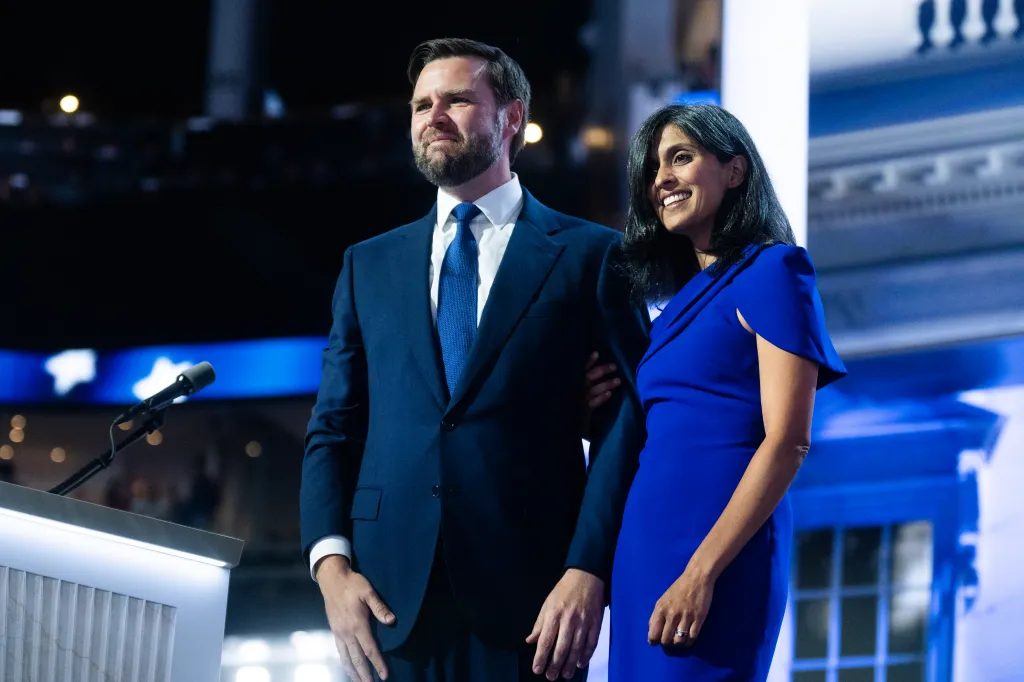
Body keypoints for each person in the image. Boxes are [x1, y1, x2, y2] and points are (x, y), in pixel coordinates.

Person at [300, 38, 649, 682]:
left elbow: (625, 420)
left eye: (456, 99)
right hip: (385, 602)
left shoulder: (592, 254)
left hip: (534, 600)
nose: (433, 115)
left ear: (511, 118)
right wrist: (331, 568)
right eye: (420, 105)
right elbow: (334, 426)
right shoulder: (366, 266)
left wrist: (589, 567)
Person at [607, 104, 847, 681]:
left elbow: (788, 440)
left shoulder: (774, 270)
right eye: (653, 167)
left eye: (681, 158)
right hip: (646, 555)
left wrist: (701, 573)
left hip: (716, 557)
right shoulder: (673, 310)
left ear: (735, 170)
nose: (661, 177)